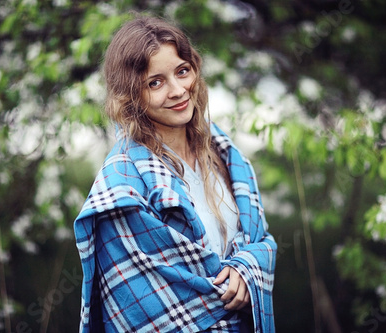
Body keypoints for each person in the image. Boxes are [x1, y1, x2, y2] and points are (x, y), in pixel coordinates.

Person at [74, 14, 277, 333]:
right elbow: (140, 302)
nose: (179, 90)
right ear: (131, 96)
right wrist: (224, 290)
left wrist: (247, 269)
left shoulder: (222, 152)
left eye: (183, 71)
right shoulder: (122, 183)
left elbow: (261, 242)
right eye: (155, 82)